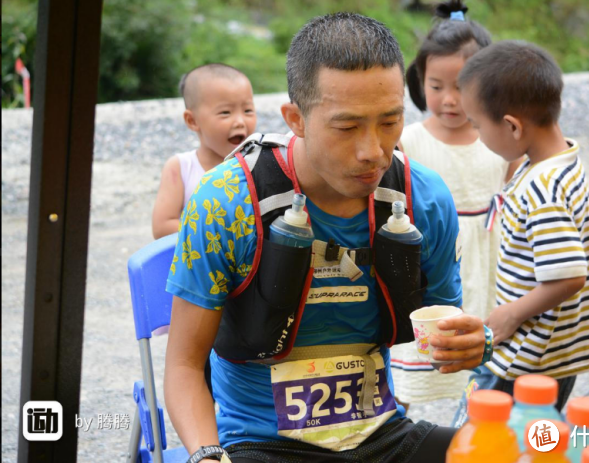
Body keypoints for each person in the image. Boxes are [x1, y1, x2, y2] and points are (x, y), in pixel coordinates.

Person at [164, 13, 488, 463]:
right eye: (347, 126)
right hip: (263, 445)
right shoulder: (227, 203)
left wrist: (473, 341)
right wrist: (205, 455)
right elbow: (182, 367)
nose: (373, 151)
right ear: (295, 118)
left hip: (383, 437)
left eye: (390, 122)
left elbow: (446, 336)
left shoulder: (423, 198)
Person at [455, 40, 589, 419]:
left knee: (485, 436)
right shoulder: (563, 159)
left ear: (513, 127)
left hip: (527, 358)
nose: (477, 135)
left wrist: (512, 314)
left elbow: (569, 275)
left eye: (477, 125)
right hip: (552, 354)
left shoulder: (542, 188)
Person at [389, 0, 520, 407]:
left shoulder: (502, 140)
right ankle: (398, 432)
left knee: (479, 360)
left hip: (487, 262)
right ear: (419, 81)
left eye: (462, 86)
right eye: (436, 86)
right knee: (416, 359)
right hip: (431, 263)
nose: (449, 99)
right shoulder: (408, 141)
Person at [152, 63, 257, 239]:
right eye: (225, 112)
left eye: (248, 110)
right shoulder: (181, 167)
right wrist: (219, 230)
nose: (240, 121)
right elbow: (162, 227)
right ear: (192, 120)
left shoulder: (257, 163)